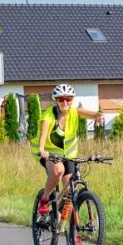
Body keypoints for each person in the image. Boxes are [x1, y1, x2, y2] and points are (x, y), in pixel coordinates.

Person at [36, 84, 104, 219]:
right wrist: (42, 150)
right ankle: (44, 200)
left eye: (68, 99)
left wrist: (99, 116)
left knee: (70, 189)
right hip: (50, 154)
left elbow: (92, 114)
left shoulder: (74, 112)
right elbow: (43, 136)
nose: (65, 102)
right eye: (61, 99)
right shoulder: (48, 116)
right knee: (58, 171)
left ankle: (70, 229)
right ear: (56, 100)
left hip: (69, 156)